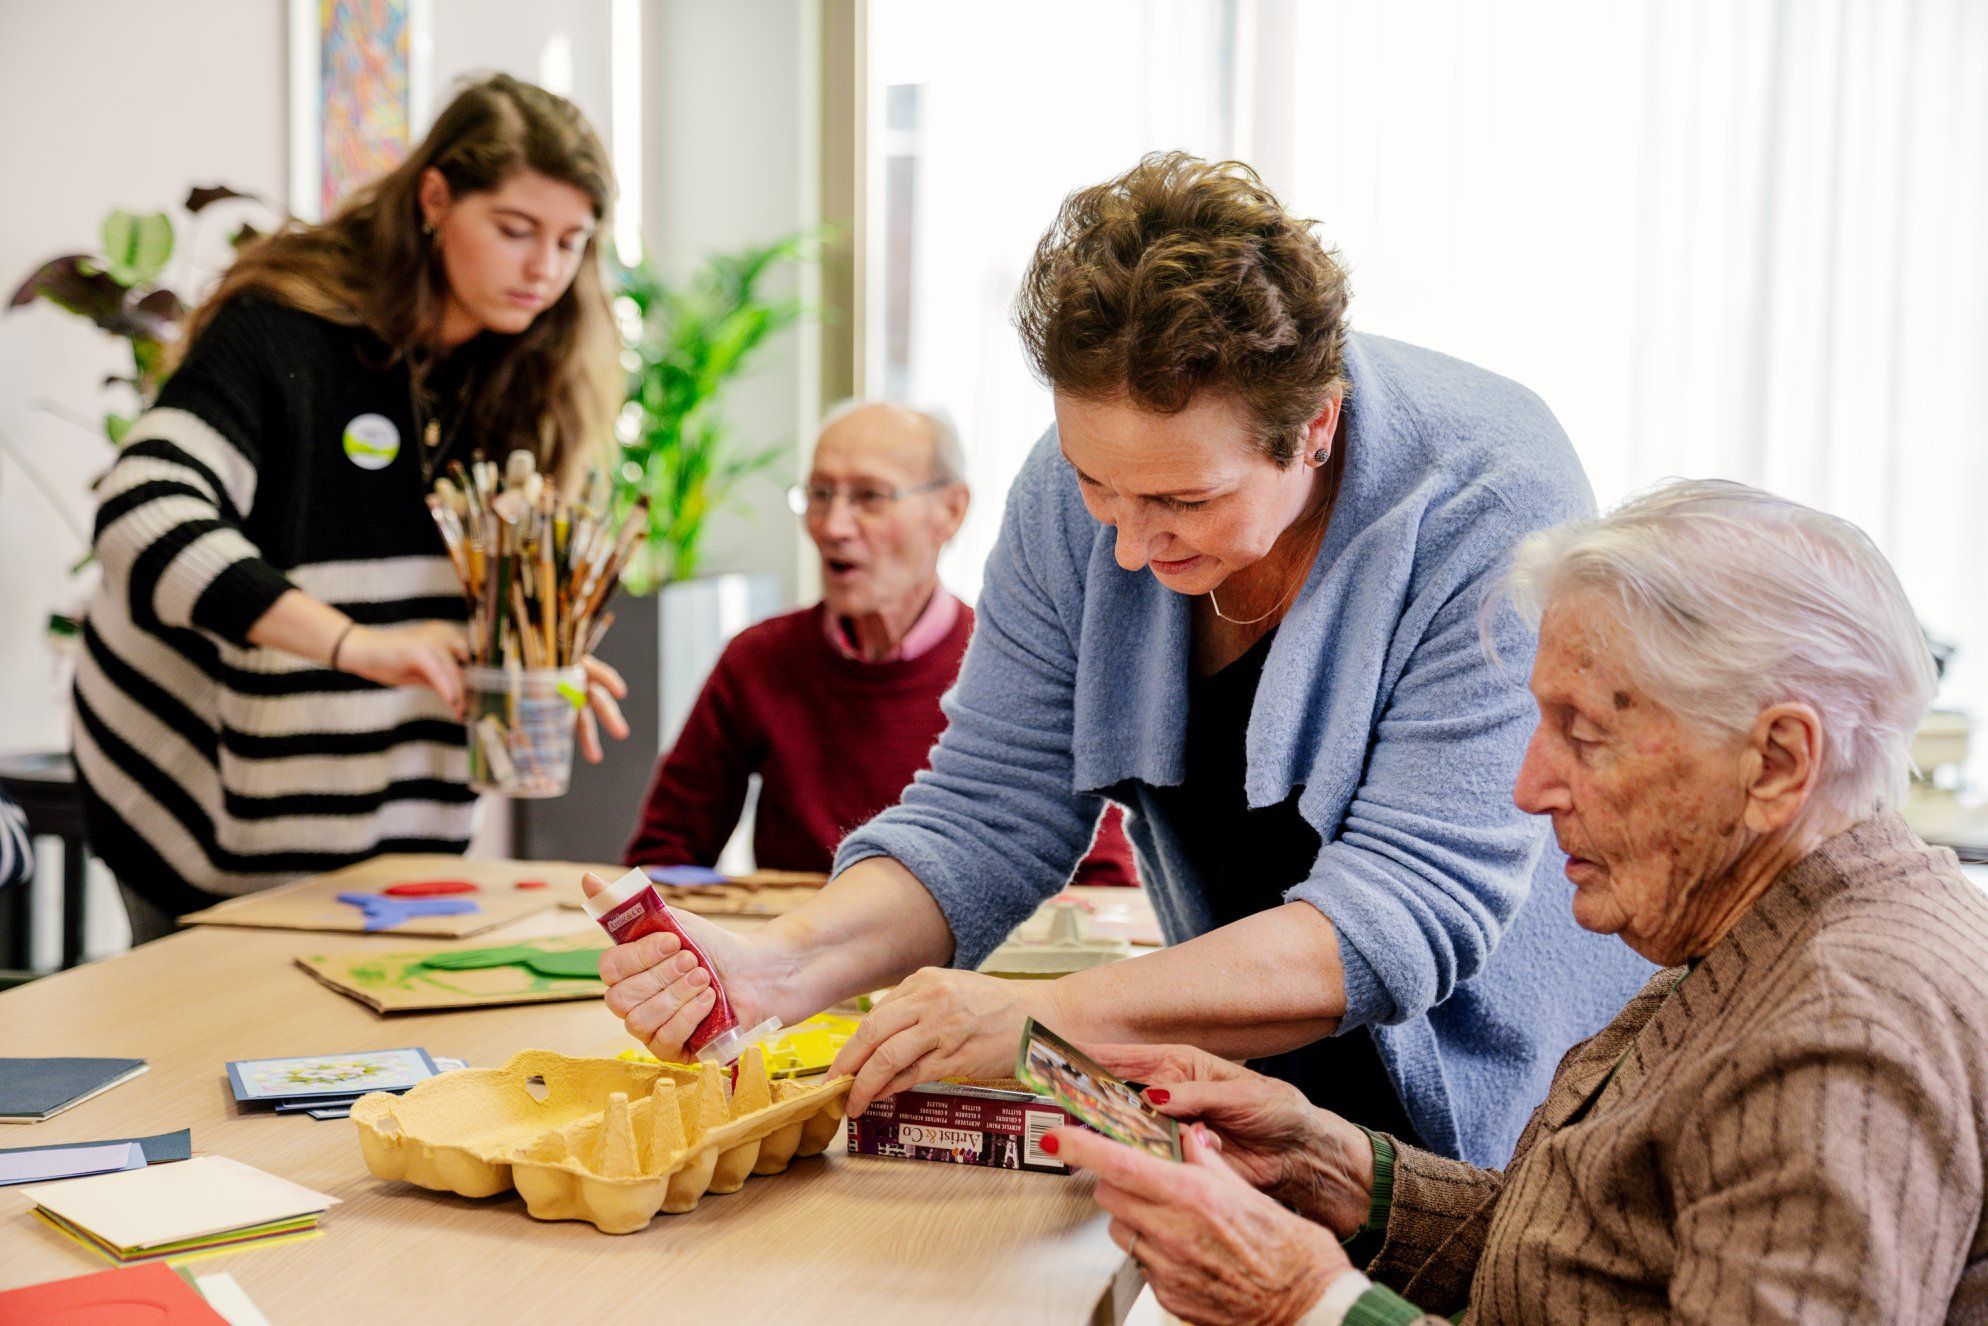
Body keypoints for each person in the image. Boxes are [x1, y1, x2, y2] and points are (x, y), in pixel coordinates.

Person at [592, 152, 1649, 1166]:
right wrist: (782, 961)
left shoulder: (1485, 488)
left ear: (1313, 426)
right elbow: (984, 813)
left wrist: (1043, 1017)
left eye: (1183, 501)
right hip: (1253, 1092)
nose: (1130, 548)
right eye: (1097, 484)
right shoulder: (1072, 491)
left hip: (1504, 1117)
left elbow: (1406, 912)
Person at [1045, 481, 1988, 1325]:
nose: (1529, 788)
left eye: (1584, 733)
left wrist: (1314, 1304)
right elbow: (1597, 1265)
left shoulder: (1839, 1033)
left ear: (1777, 762)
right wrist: (1333, 1169)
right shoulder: (1777, 930)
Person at [75, 74, 630, 944]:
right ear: (436, 197)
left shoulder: (534, 377)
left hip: (394, 853)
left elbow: (483, 599)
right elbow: (142, 519)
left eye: (572, 242)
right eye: (516, 231)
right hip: (200, 814)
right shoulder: (283, 333)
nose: (545, 270)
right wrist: (355, 644)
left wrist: (533, 657)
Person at [621, 399, 1137, 885]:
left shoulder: (1027, 666)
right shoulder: (758, 660)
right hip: (799, 964)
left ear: (951, 512)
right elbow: (665, 858)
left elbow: (1103, 885)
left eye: (870, 497)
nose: (833, 526)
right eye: (820, 495)